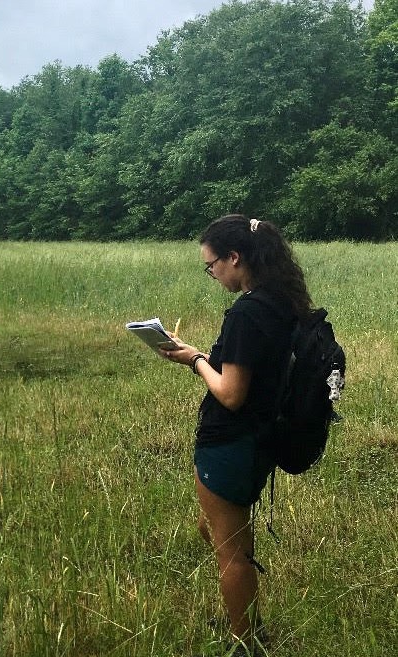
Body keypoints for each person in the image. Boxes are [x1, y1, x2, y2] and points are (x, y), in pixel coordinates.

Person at [160, 215, 313, 655]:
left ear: (234, 258)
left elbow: (229, 393)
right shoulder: (281, 301)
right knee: (216, 531)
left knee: (232, 552)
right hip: (259, 436)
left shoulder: (247, 312)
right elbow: (248, 372)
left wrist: (192, 360)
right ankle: (241, 612)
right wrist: (207, 356)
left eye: (211, 266)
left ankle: (244, 642)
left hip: (230, 441)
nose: (212, 274)